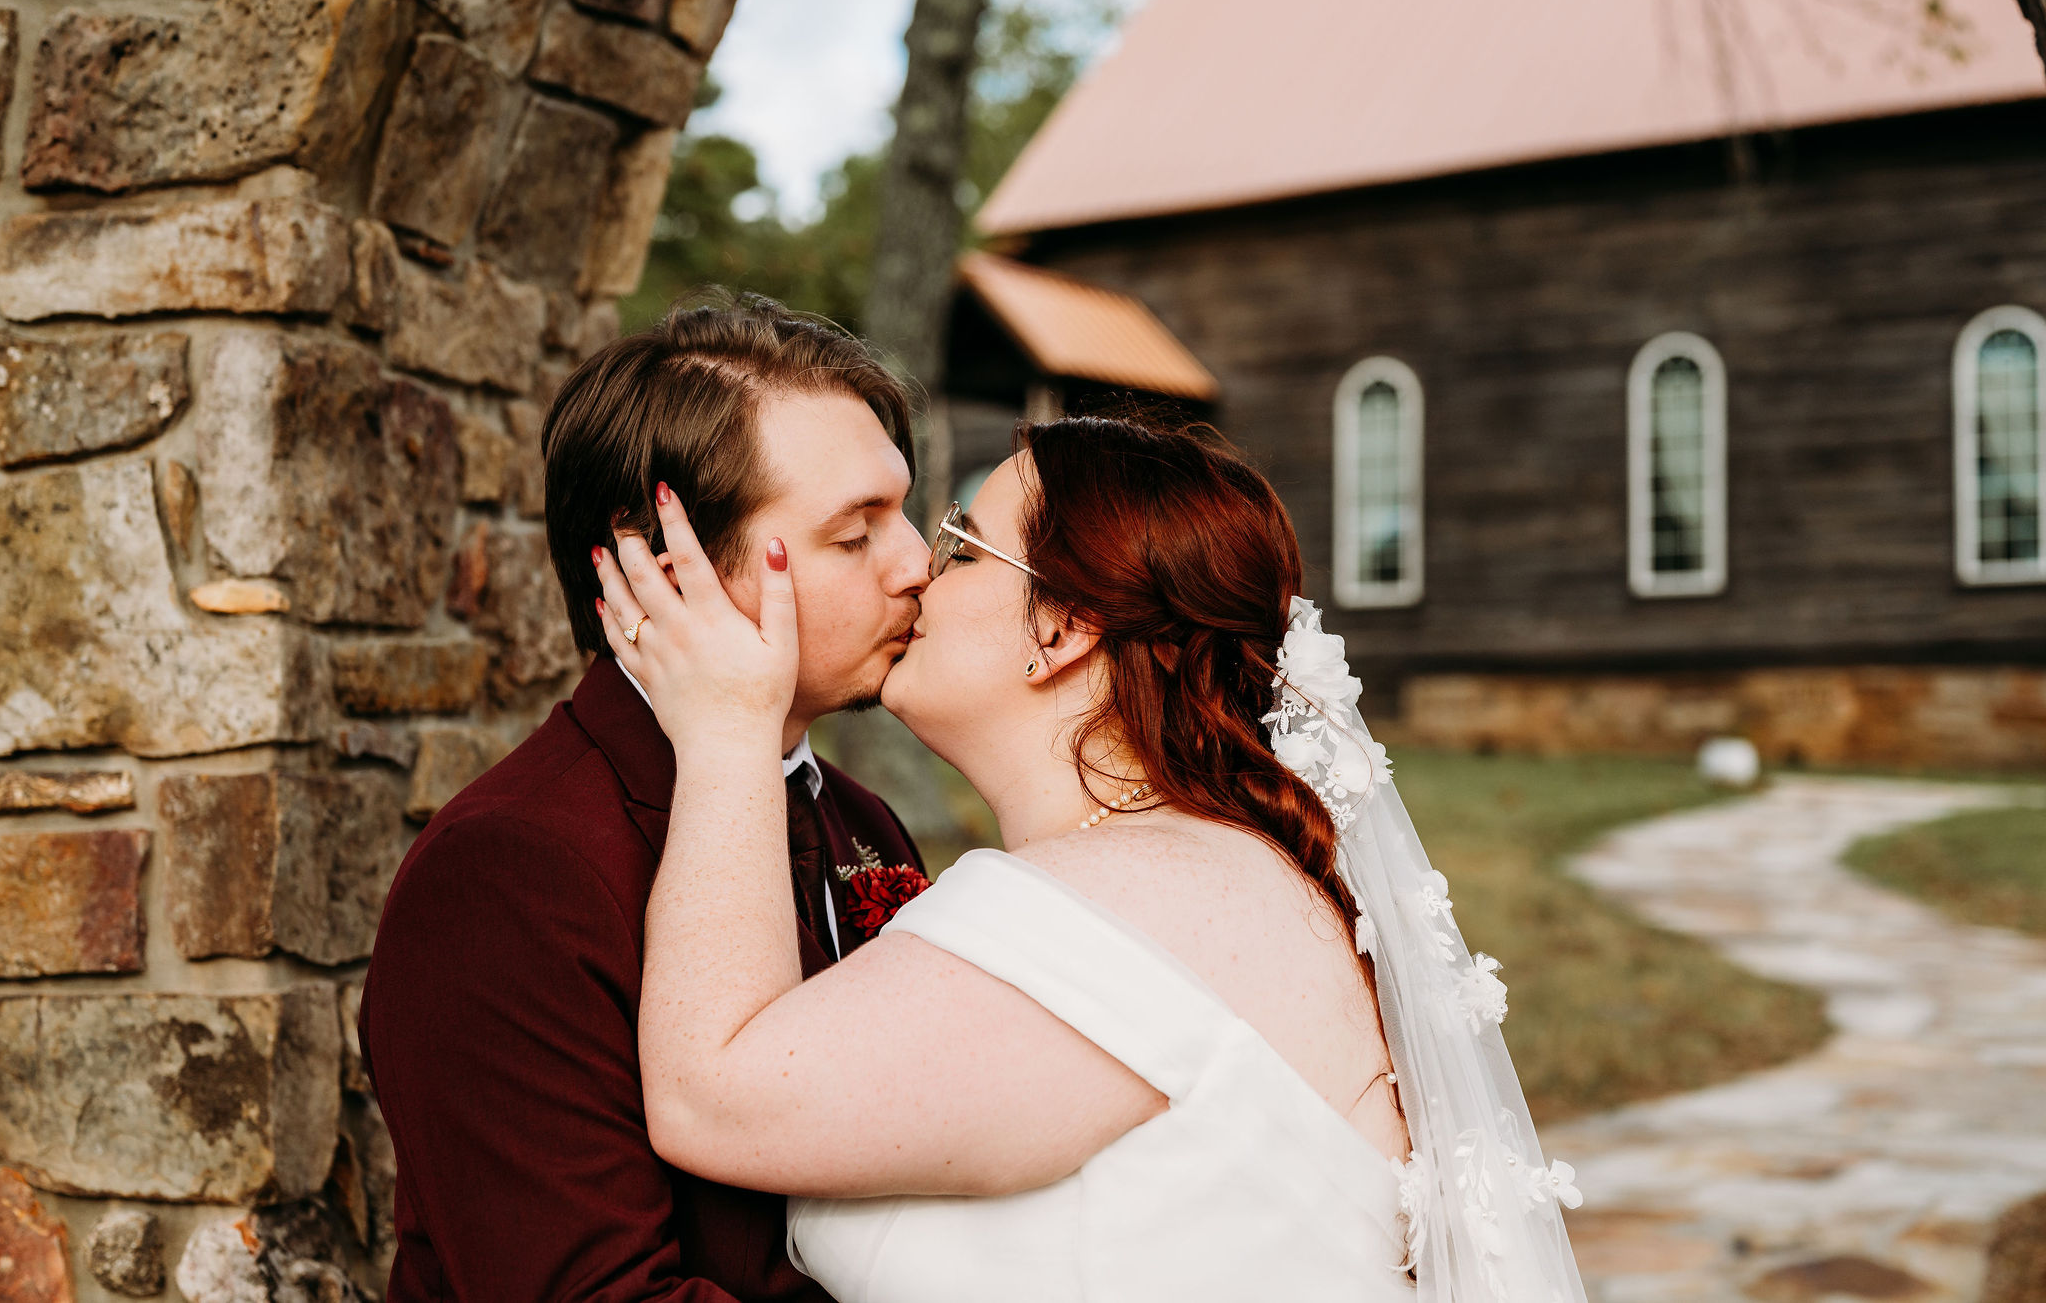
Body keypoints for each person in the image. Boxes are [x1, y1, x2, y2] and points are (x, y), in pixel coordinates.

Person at [597, 415, 1588, 1302]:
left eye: (961, 549)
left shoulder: (1127, 901)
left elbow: (708, 1098)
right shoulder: (1211, 875)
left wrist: (728, 724)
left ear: (1061, 629)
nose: (912, 572)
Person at [358, 298, 933, 1302]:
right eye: (856, 535)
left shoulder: (861, 820)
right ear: (664, 573)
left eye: (904, 510)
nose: (918, 561)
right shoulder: (507, 873)